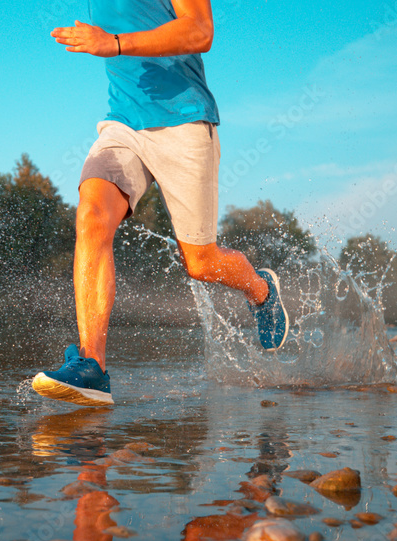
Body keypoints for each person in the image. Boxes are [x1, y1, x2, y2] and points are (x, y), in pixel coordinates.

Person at [33, 0, 289, 407]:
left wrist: (113, 43)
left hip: (183, 120)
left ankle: (261, 291)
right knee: (92, 216)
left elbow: (200, 31)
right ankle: (92, 368)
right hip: (122, 125)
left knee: (200, 263)